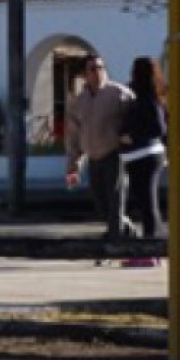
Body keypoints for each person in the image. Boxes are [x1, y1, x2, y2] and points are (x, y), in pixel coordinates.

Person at [63, 53, 135, 241]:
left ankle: (116, 241)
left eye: (101, 67)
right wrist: (73, 166)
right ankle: (126, 228)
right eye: (92, 69)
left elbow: (135, 119)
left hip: (114, 155)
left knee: (115, 201)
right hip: (93, 158)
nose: (98, 72)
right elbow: (73, 136)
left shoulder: (119, 94)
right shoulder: (79, 101)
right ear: (84, 74)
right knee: (101, 205)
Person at [118, 57, 168, 263]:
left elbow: (159, 127)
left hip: (146, 155)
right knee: (145, 203)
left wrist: (133, 135)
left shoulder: (147, 97)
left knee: (149, 204)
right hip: (136, 156)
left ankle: (152, 249)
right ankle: (151, 248)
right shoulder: (138, 94)